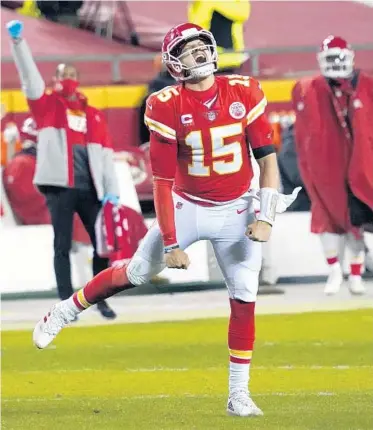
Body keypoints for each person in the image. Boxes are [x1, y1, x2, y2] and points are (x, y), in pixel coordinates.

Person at [32, 23, 298, 417]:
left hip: (238, 205)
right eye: (189, 50)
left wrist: (268, 218)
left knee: (245, 296)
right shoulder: (164, 104)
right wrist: (172, 243)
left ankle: (238, 394)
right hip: (189, 205)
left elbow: (267, 159)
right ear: (175, 63)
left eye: (202, 47)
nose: (199, 54)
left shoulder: (244, 90)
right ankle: (67, 309)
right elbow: (162, 181)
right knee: (138, 271)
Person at [7, 19, 119, 319]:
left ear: (77, 79)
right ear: (55, 80)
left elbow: (106, 156)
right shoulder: (47, 106)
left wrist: (112, 191)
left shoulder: (94, 115)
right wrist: (18, 44)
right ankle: (64, 304)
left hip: (90, 188)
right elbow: (30, 78)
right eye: (61, 74)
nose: (66, 78)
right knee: (61, 245)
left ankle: (99, 298)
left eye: (71, 74)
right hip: (59, 185)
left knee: (102, 247)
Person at [292, 35, 373, 295]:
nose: (336, 63)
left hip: (359, 168)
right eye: (331, 58)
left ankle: (357, 274)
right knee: (328, 223)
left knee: (355, 224)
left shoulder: (367, 85)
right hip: (326, 170)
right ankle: (336, 271)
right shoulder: (307, 88)